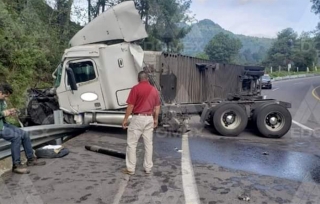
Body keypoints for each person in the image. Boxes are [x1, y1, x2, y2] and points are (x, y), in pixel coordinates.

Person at [0, 83, 46, 174]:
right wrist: (5, 113)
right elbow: (2, 113)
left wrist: (10, 111)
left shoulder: (1, 101)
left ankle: (31, 159)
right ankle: (16, 165)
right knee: (16, 137)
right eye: (5, 96)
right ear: (0, 92)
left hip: (3, 124)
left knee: (24, 134)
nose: (6, 98)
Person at [122, 71, 161, 175]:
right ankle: (148, 168)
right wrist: (155, 119)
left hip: (138, 118)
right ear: (147, 79)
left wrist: (125, 119)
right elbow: (157, 107)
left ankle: (130, 168)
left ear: (138, 79)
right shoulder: (154, 90)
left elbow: (130, 106)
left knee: (132, 143)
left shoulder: (135, 88)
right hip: (149, 119)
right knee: (149, 144)